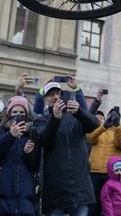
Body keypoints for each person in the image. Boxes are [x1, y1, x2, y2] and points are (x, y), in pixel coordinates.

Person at [34, 80, 99, 216]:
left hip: (80, 187)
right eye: (51, 95)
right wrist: (55, 119)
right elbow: (44, 140)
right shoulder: (41, 121)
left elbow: (94, 124)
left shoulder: (75, 117)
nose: (55, 97)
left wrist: (80, 111)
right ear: (45, 100)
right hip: (56, 188)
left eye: (57, 93)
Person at [0, 95, 39, 216]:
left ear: (26, 114)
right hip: (0, 199)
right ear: (9, 113)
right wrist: (10, 136)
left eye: (21, 112)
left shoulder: (32, 133)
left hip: (25, 201)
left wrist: (29, 153)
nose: (18, 115)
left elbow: (35, 165)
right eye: (15, 112)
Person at [87, 106, 121, 216]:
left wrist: (117, 126)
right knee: (93, 204)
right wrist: (104, 126)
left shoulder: (120, 131)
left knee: (109, 205)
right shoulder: (99, 129)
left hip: (111, 175)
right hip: (95, 172)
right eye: (111, 116)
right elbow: (90, 138)